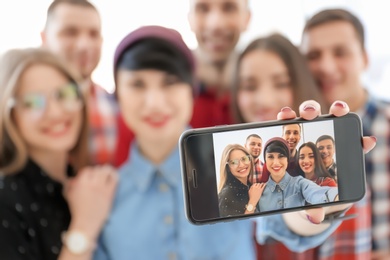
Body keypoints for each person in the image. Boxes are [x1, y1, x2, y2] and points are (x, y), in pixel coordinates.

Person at [92, 25, 364, 260]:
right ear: (117, 92)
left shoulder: (236, 163)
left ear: (191, 89)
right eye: (137, 84)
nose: (154, 102)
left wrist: (317, 210)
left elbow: (283, 223)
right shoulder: (102, 195)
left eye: (170, 82)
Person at [231, 32, 352, 259]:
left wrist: (318, 211)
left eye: (281, 83)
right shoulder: (240, 165)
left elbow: (302, 229)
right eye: (249, 86)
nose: (265, 99)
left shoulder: (311, 167)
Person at [0, 48, 117, 260]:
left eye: (64, 94)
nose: (55, 112)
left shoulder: (85, 182)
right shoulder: (5, 200)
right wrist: (84, 227)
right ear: (9, 114)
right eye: (32, 102)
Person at [113, 0, 252, 166]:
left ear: (247, 18)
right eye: (203, 8)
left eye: (229, 8)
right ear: (190, 19)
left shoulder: (261, 98)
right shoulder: (142, 113)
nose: (216, 23)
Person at [301, 8, 390, 259]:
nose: (327, 67)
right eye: (314, 55)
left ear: (364, 58)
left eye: (340, 53)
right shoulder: (295, 140)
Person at [41, 0, 120, 165]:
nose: (84, 44)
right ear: (45, 38)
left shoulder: (118, 107)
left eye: (93, 34)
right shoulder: (18, 106)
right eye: (70, 32)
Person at [257, 137, 338, 212]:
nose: (276, 163)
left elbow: (318, 193)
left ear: (287, 160)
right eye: (270, 157)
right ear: (265, 161)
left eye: (281, 156)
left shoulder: (300, 183)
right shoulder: (259, 191)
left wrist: (336, 196)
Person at [218, 144, 266, 217]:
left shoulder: (250, 186)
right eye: (234, 162)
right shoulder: (226, 195)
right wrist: (252, 202)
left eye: (244, 159)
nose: (241, 165)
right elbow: (235, 227)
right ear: (227, 167)